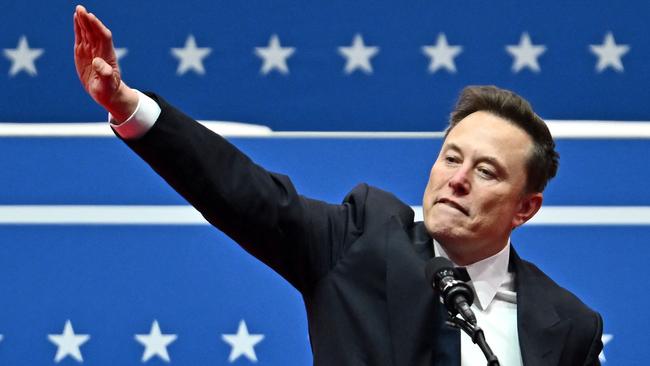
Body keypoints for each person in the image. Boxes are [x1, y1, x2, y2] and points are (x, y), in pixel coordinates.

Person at [73, 5, 603, 365]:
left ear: (525, 208)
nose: (457, 181)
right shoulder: (359, 242)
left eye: (485, 172)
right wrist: (128, 107)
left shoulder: (570, 326)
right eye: (450, 158)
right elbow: (241, 192)